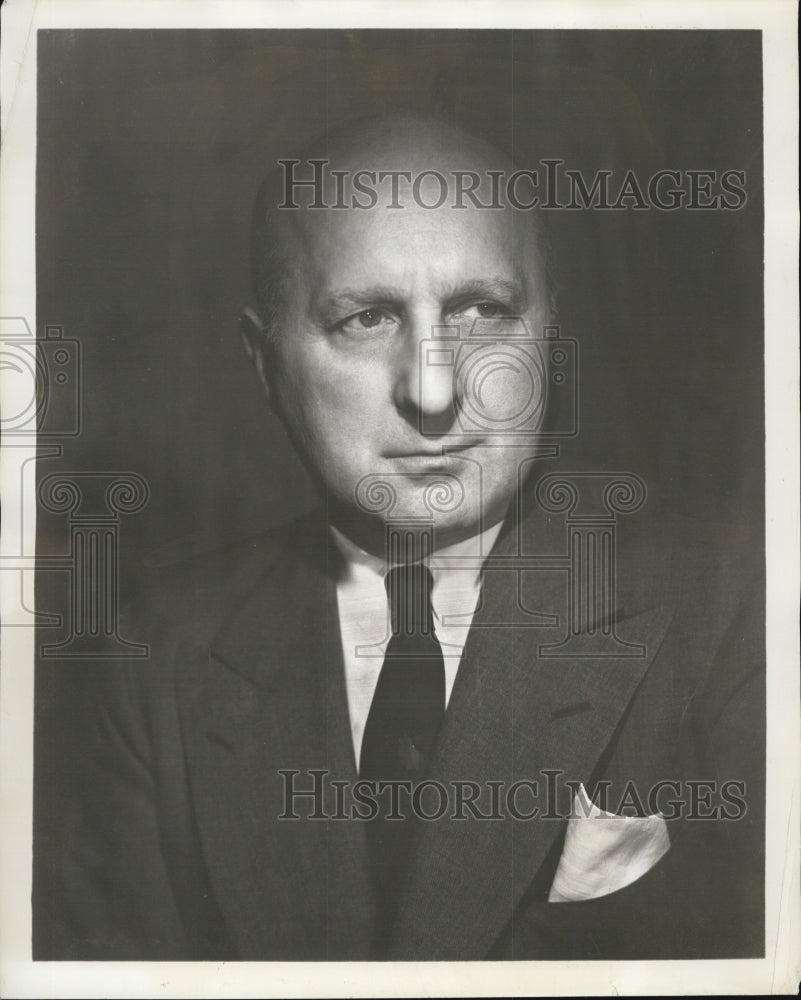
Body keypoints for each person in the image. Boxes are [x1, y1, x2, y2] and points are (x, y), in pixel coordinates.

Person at [47, 114, 764, 961]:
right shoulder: (159, 654)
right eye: (366, 318)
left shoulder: (738, 608)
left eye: (482, 310)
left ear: (551, 334)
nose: (433, 390)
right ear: (263, 360)